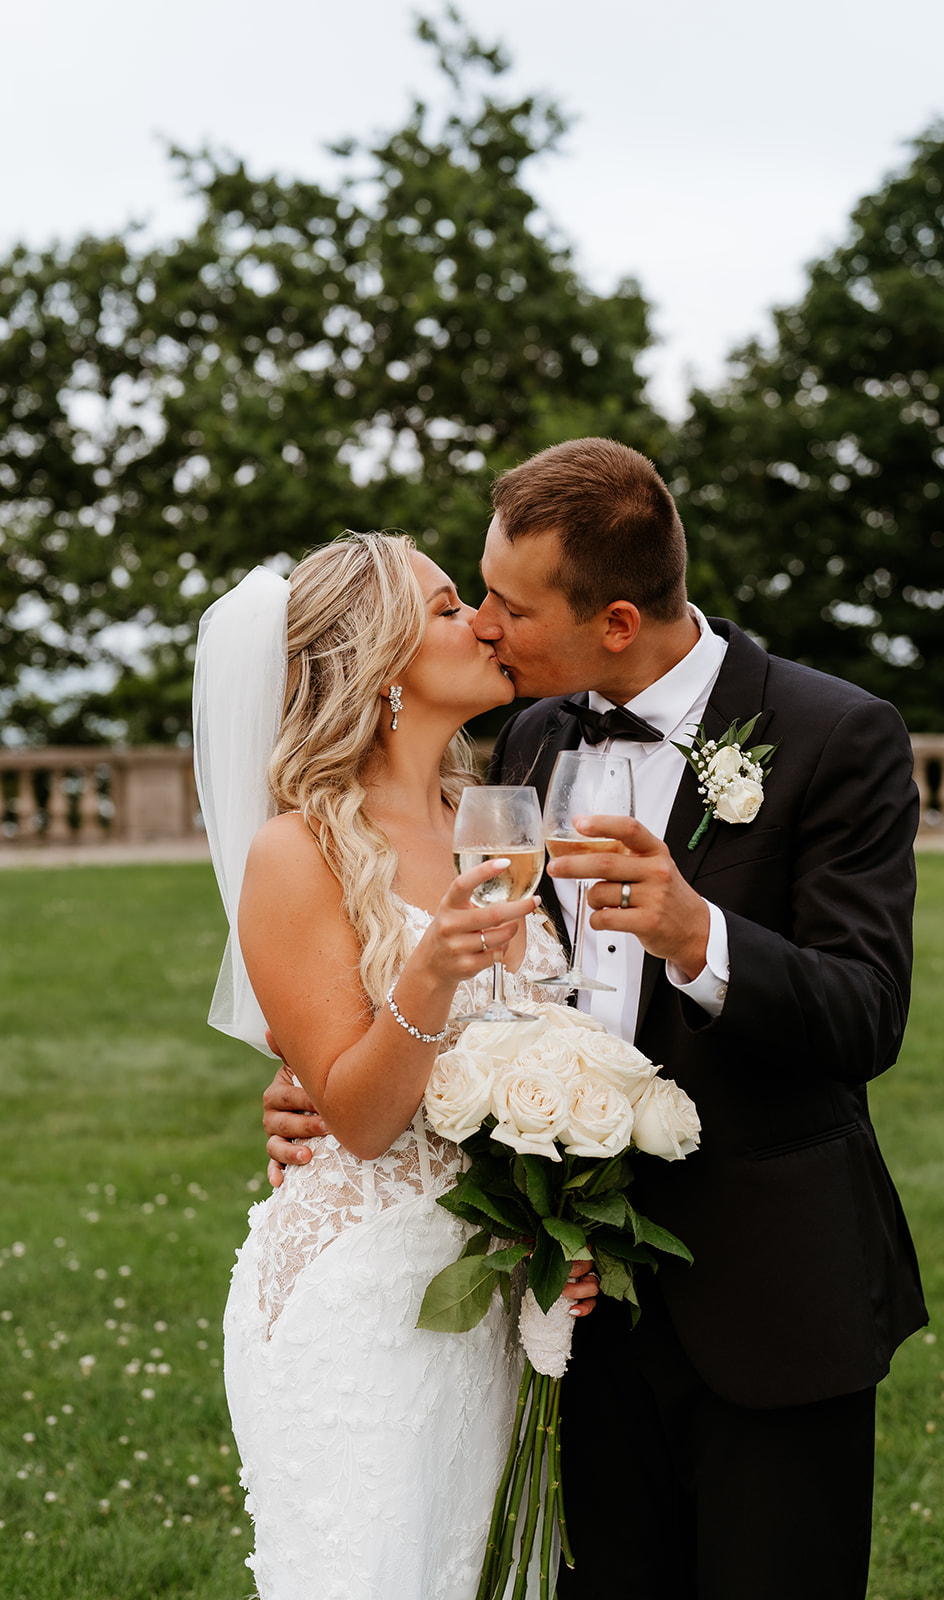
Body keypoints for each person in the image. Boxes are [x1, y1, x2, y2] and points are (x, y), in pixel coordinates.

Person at [264, 440, 927, 1599]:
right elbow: (424, 978)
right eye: (471, 595)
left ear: (614, 620)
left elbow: (866, 1014)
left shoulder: (837, 737)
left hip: (768, 1294)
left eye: (509, 607)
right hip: (559, 1309)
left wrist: (697, 936)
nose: (484, 624)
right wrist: (317, 1082)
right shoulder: (528, 743)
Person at [193, 532, 597, 1600]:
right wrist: (429, 970)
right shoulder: (299, 851)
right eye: (449, 605)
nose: (483, 622)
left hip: (489, 1291)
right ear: (377, 661)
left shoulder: (497, 817)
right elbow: (360, 1120)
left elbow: (538, 1039)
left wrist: (572, 1219)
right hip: (361, 1305)